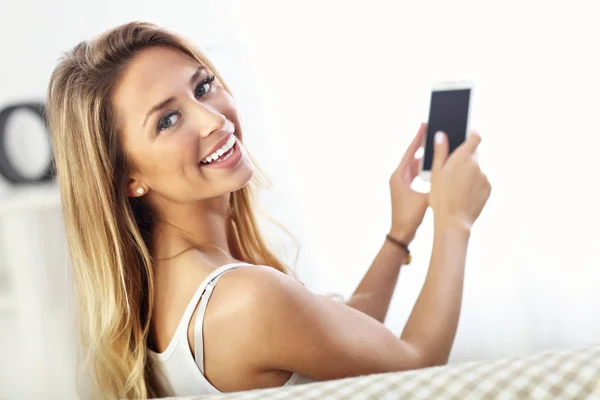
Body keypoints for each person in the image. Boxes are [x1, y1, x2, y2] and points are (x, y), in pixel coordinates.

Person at [46, 21, 491, 399]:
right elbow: (416, 371)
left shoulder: (172, 288)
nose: (212, 120)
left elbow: (332, 337)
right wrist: (455, 223)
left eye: (203, 87)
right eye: (167, 120)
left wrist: (399, 234)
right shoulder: (244, 298)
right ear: (128, 178)